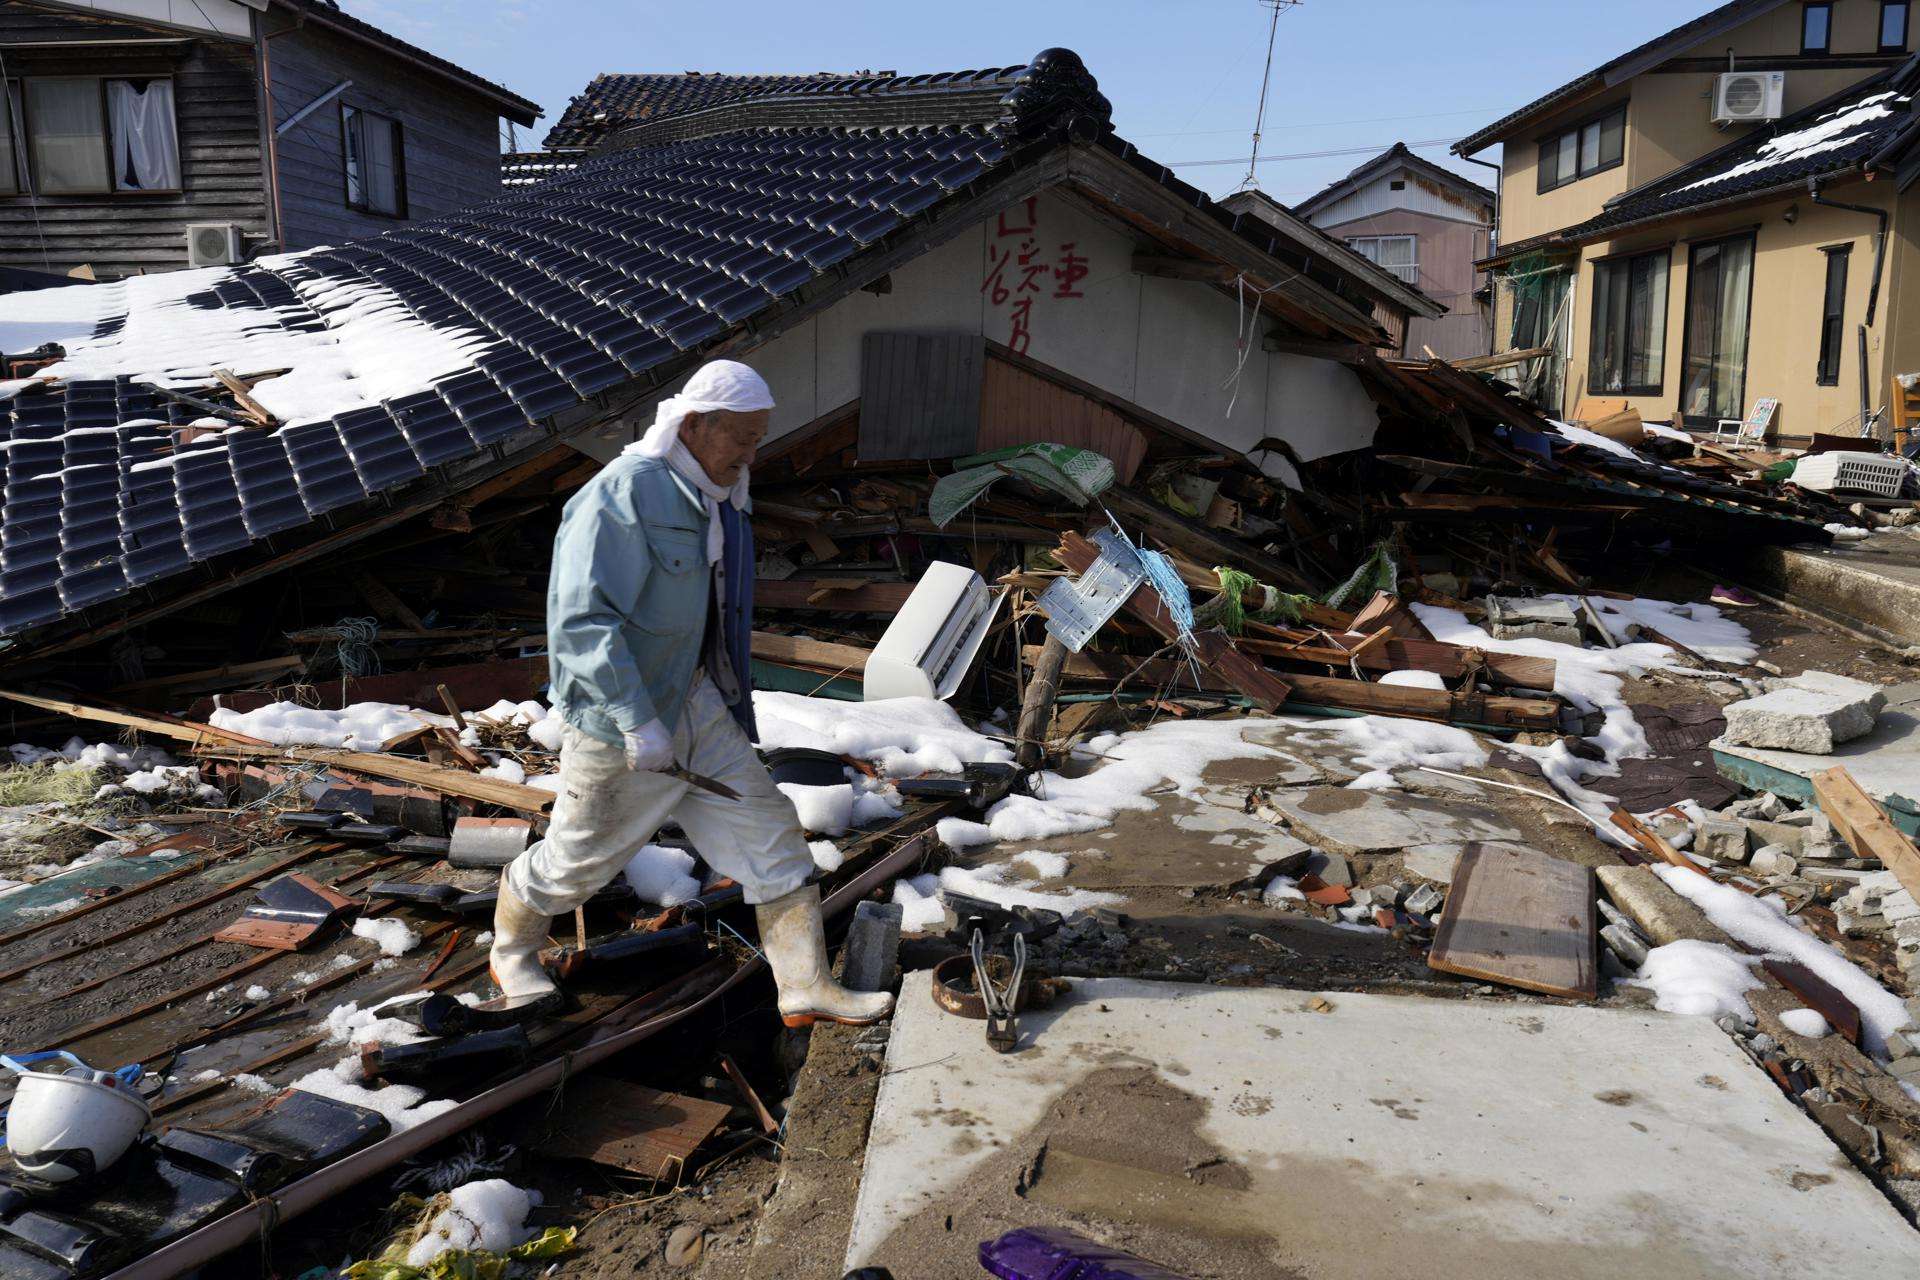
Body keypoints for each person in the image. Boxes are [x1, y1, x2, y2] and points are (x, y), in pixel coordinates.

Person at [489, 360, 892, 1028]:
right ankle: (511, 948)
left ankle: (804, 986)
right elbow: (582, 621)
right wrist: (637, 721)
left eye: (759, 438)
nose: (751, 453)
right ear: (696, 424)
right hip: (622, 718)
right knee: (577, 867)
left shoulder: (715, 489)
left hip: (695, 701)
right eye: (742, 437)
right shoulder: (623, 494)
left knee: (771, 832)